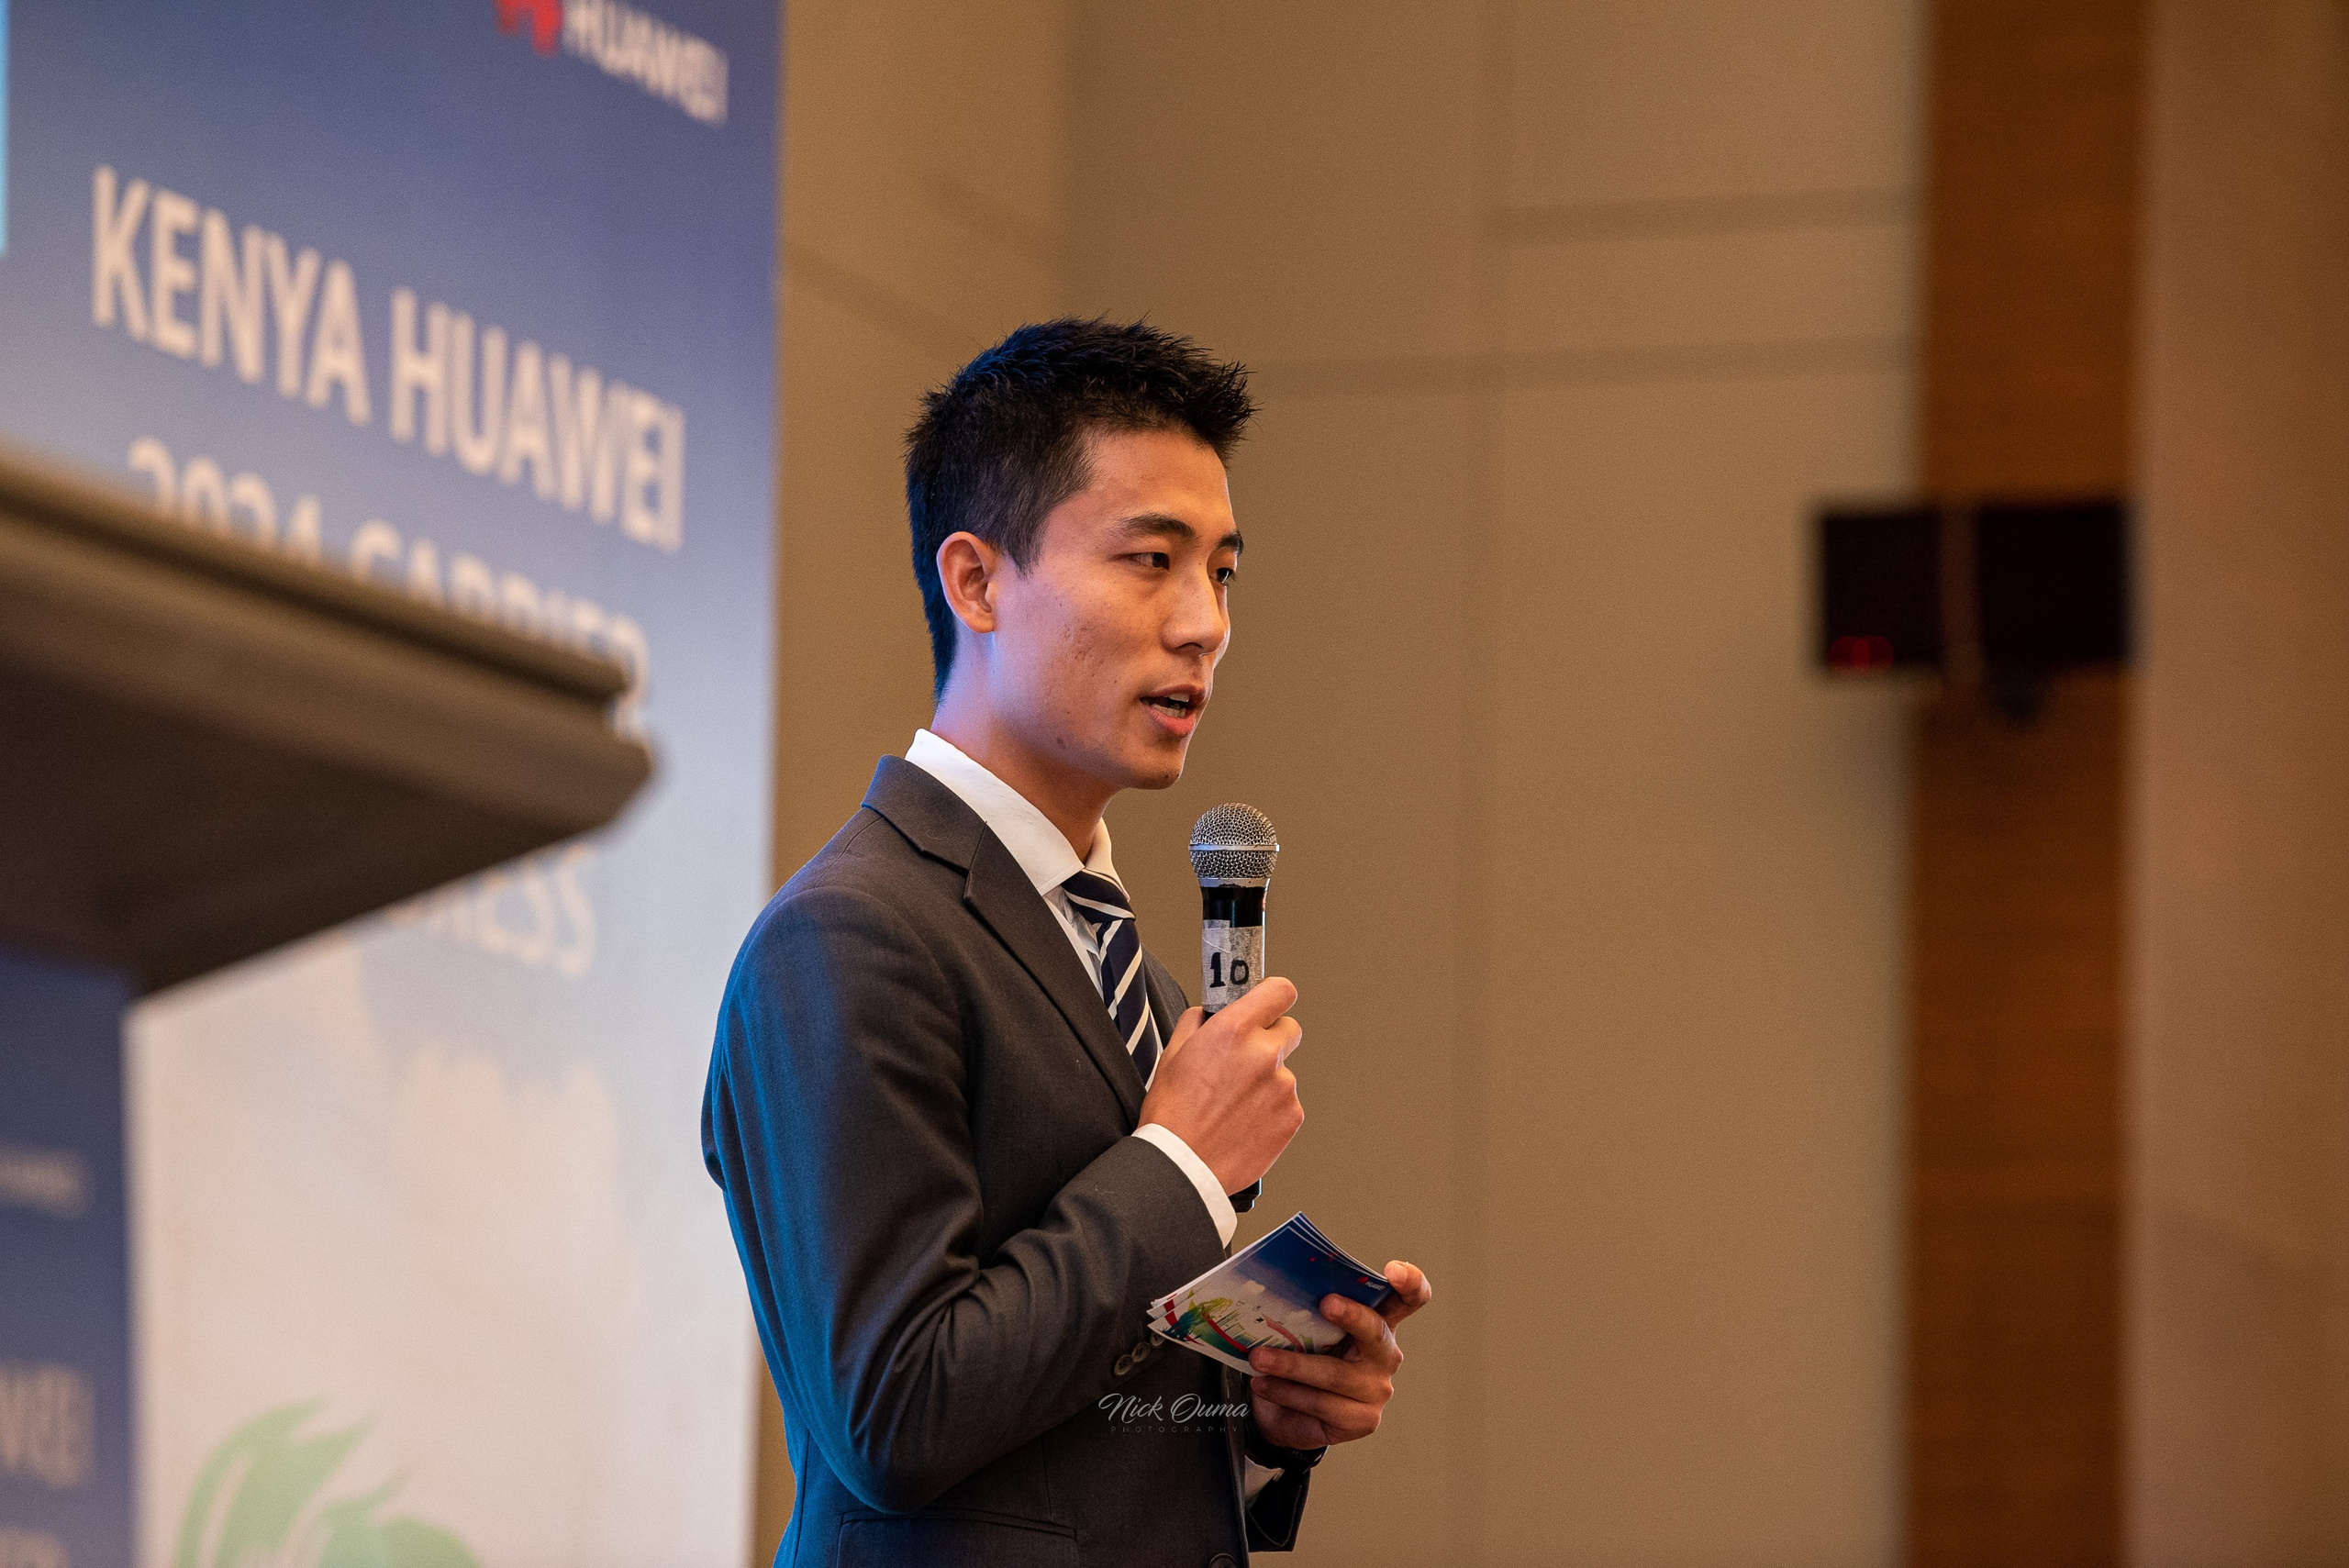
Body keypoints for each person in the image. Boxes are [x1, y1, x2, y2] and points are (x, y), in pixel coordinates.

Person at [703, 318, 1431, 1565]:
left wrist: (1264, 1410)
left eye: (1224, 571)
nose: (1204, 622)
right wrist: (1180, 1162)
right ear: (978, 581)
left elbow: (1075, 1409)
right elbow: (893, 1410)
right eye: (1151, 559)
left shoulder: (1122, 973)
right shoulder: (849, 934)